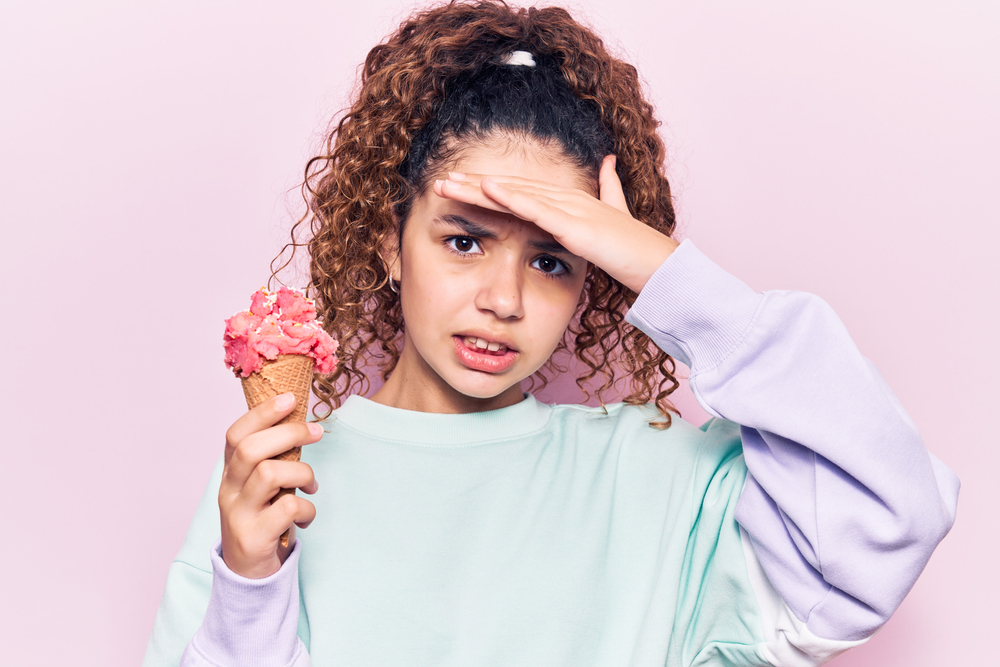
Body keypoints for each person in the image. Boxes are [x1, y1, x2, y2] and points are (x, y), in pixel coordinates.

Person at [143, 1, 959, 665]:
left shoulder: (662, 474)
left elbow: (891, 518)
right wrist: (250, 584)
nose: (503, 298)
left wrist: (667, 273)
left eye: (553, 260)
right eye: (464, 240)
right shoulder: (280, 488)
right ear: (391, 241)